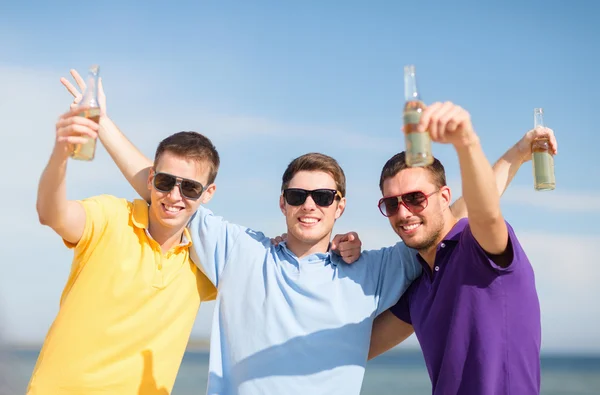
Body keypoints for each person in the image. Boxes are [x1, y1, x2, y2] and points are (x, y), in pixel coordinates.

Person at [61, 70, 548, 395]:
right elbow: (167, 186)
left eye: (321, 196)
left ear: (341, 206)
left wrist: (512, 156)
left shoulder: (381, 267)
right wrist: (102, 127)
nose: (308, 205)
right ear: (282, 203)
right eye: (297, 196)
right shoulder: (239, 250)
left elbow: (456, 215)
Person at [28, 105, 219, 394]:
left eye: (190, 188)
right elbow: (51, 214)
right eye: (165, 182)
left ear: (208, 194)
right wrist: (60, 156)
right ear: (151, 178)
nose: (174, 196)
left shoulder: (205, 261)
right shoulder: (110, 216)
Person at [367, 101, 554, 395]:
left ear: (444, 197)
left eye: (416, 198)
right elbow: (357, 347)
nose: (403, 213)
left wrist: (466, 141)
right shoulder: (419, 290)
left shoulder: (477, 248)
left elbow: (486, 211)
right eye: (392, 204)